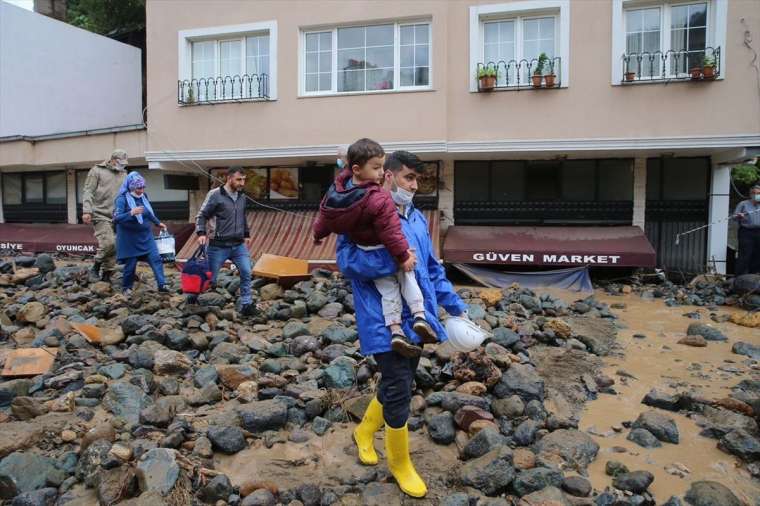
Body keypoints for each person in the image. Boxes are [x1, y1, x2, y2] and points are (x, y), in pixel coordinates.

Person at [336, 150, 467, 498]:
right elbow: (346, 261)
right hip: (382, 317)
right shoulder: (361, 213)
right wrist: (393, 256)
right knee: (398, 386)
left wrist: (455, 307)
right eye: (409, 178)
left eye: (418, 179)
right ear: (388, 176)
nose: (414, 185)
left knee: (403, 380)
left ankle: (364, 432)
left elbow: (432, 269)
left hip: (419, 317)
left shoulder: (418, 219)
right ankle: (399, 463)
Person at [314, 139, 437, 358]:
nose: (381, 172)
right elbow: (390, 233)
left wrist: (317, 235)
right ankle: (419, 316)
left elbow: (325, 219)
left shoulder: (339, 197)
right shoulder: (378, 199)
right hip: (378, 329)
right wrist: (400, 257)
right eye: (377, 168)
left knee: (390, 290)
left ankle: (398, 330)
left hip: (372, 257)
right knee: (408, 276)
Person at [196, 167, 258, 316]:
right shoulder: (215, 195)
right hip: (218, 245)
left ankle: (246, 305)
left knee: (246, 272)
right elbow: (202, 215)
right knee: (210, 279)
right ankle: (192, 300)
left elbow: (242, 217)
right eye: (239, 179)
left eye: (244, 180)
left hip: (238, 245)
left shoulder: (242, 197)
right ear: (229, 178)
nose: (242, 183)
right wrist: (201, 233)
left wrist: (246, 234)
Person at [113, 172, 168, 295]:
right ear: (132, 187)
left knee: (156, 259)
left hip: (145, 236)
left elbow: (148, 212)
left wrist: (158, 223)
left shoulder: (144, 196)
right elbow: (116, 219)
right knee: (130, 265)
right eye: (139, 188)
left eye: (143, 187)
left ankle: (162, 284)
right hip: (129, 239)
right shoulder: (121, 199)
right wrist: (131, 213)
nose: (141, 190)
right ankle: (127, 287)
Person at [81, 149, 128, 281]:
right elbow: (88, 191)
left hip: (117, 215)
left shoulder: (124, 174)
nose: (122, 165)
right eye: (120, 162)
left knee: (114, 246)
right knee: (108, 243)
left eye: (124, 163)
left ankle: (106, 276)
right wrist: (87, 210)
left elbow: (127, 195)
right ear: (113, 160)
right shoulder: (97, 170)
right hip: (100, 213)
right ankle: (95, 267)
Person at [734, 184, 760, 274]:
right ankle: (739, 276)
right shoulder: (743, 204)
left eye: (758, 193)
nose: (756, 195)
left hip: (759, 232)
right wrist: (739, 216)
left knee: (757, 255)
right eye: (754, 193)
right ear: (750, 194)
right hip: (746, 232)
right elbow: (734, 217)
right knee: (745, 254)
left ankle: (754, 275)